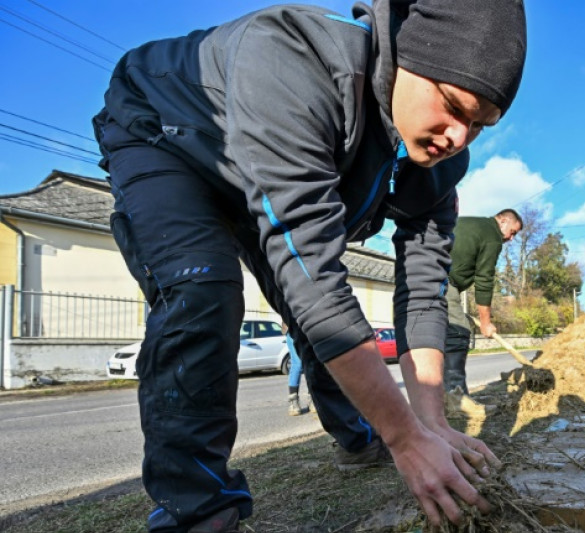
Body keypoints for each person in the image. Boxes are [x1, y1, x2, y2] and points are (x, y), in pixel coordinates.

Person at [91, 0, 526, 530]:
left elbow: (423, 290)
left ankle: (360, 439)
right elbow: (313, 274)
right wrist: (405, 436)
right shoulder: (296, 61)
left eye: (480, 125)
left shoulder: (442, 164)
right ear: (406, 59)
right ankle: (197, 509)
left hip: (258, 171)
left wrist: (428, 424)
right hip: (169, 135)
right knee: (203, 291)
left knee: (320, 321)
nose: (460, 137)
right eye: (454, 107)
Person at [443, 210, 522, 414]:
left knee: (437, 337)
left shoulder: (472, 223)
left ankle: (440, 399)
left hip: (421, 273)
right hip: (439, 279)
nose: (510, 239)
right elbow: (484, 280)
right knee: (458, 330)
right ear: (502, 221)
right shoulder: (492, 234)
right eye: (512, 232)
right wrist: (486, 322)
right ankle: (456, 401)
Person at [282, 323, 314, 416]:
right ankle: (293, 401)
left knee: (311, 363)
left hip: (308, 329)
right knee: (298, 363)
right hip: (292, 329)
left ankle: (312, 398)